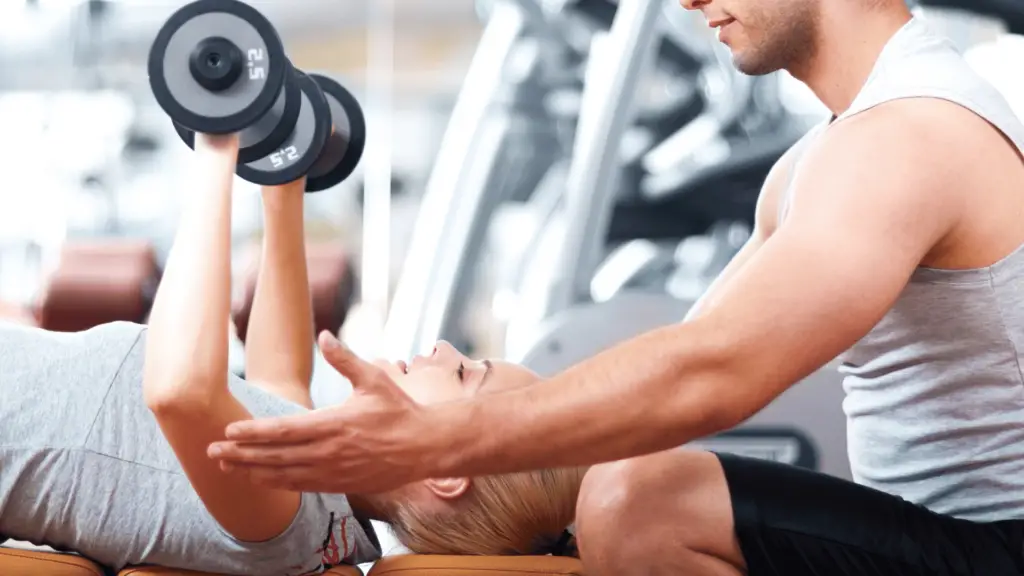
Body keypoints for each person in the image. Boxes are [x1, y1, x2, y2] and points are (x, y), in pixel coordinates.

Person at [208, 1, 1024, 575]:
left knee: (642, 501)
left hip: (998, 545)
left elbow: (714, 374)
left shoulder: (908, 136)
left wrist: (444, 440)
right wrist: (444, 482)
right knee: (632, 482)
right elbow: (668, 374)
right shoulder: (820, 160)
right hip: (941, 534)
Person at [0, 133, 583, 576]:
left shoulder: (285, 520)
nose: (443, 347)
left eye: (462, 373)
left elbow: (181, 389)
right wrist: (284, 181)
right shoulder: (319, 493)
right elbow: (278, 376)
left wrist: (217, 147)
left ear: (445, 472)